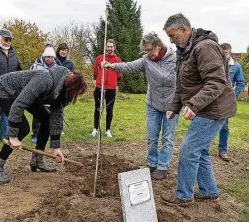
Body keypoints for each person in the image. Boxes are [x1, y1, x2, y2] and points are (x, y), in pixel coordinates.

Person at [160, 13, 236, 206]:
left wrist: (193, 104)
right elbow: (182, 84)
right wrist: (174, 107)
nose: (171, 40)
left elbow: (216, 82)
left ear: (184, 30)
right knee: (199, 150)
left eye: (173, 35)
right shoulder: (184, 50)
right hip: (204, 108)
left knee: (188, 149)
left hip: (214, 110)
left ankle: (183, 196)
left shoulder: (205, 47)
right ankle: (209, 191)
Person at [0, 66, 87, 183]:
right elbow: (18, 105)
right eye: (75, 93)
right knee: (23, 127)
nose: (74, 96)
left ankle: (36, 160)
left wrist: (56, 147)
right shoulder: (45, 79)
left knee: (47, 120)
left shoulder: (61, 92)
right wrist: (13, 136)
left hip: (23, 93)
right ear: (71, 87)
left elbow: (55, 118)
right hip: (5, 88)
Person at [103, 32, 178, 180]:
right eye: (146, 51)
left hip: (172, 104)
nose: (148, 53)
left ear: (158, 46)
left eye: (150, 50)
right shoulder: (146, 60)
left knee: (168, 138)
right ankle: (152, 163)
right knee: (152, 137)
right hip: (153, 104)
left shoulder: (175, 58)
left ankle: (162, 167)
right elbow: (129, 66)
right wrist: (112, 66)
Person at [217, 43, 245, 161]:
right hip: (211, 99)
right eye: (222, 52)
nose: (224, 55)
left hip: (225, 101)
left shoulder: (236, 67)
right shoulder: (215, 64)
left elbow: (240, 83)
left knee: (224, 126)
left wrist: (233, 97)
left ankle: (223, 150)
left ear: (230, 52)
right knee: (206, 123)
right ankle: (203, 149)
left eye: (226, 52)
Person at [90, 39, 122, 138]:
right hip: (100, 87)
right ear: (105, 47)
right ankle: (95, 128)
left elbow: (119, 75)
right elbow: (95, 72)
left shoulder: (117, 60)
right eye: (108, 46)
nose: (109, 48)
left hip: (111, 89)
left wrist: (113, 83)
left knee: (110, 109)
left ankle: (108, 130)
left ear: (114, 47)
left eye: (111, 46)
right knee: (98, 108)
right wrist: (98, 81)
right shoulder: (99, 59)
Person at [30, 44, 59, 143]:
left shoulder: (56, 67)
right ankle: (35, 134)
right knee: (37, 116)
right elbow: (30, 79)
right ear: (44, 57)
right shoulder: (35, 66)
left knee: (50, 115)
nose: (49, 59)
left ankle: (49, 134)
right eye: (48, 57)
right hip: (38, 95)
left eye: (51, 57)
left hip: (50, 95)